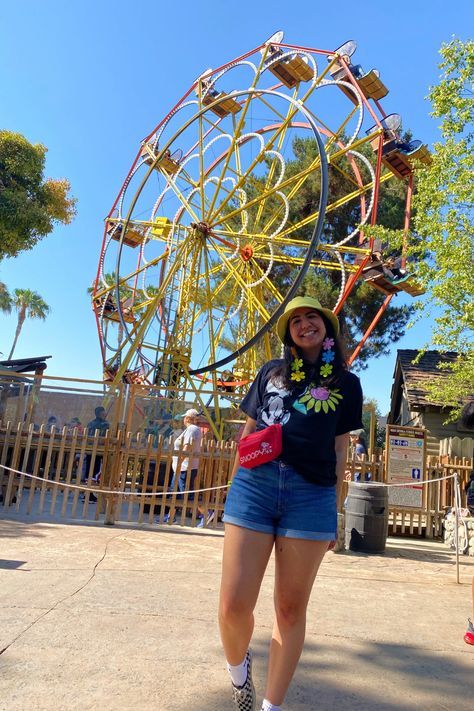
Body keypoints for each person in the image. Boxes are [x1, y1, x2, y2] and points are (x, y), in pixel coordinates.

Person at [219, 296, 363, 711]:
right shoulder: (270, 373)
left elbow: (339, 449)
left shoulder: (346, 383)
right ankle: (238, 671)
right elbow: (248, 434)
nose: (304, 324)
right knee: (232, 606)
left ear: (327, 326)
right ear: (288, 334)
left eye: (311, 317)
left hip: (311, 493)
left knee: (289, 606)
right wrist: (236, 488)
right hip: (256, 486)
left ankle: (271, 706)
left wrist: (334, 509)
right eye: (295, 320)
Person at [160, 408, 208, 524]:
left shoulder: (192, 429)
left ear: (187, 418)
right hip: (181, 468)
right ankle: (171, 516)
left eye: (184, 417)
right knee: (174, 492)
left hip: (185, 468)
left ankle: (206, 513)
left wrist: (180, 462)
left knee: (187, 493)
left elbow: (187, 447)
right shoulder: (191, 430)